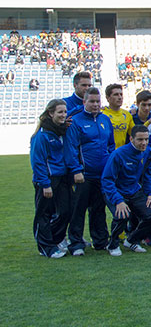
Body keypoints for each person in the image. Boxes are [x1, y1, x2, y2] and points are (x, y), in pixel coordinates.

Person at [65, 87, 114, 255]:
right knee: (78, 209)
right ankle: (76, 243)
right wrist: (76, 170)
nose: (95, 105)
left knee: (98, 209)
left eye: (97, 101)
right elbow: (71, 148)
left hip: (102, 175)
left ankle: (100, 241)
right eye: (91, 101)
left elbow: (111, 145)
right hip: (83, 175)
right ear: (84, 102)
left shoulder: (105, 120)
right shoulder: (76, 121)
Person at [102, 125, 151, 256]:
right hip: (116, 192)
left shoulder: (145, 150)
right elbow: (107, 180)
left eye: (146, 139)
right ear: (131, 139)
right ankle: (112, 244)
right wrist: (118, 200)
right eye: (140, 140)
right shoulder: (118, 154)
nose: (144, 143)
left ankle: (132, 240)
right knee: (122, 215)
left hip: (134, 191)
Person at [30, 99, 71, 258]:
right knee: (44, 214)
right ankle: (45, 247)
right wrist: (45, 184)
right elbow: (38, 161)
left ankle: (54, 240)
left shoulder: (61, 130)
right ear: (50, 113)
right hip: (47, 180)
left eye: (65, 112)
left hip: (62, 178)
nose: (63, 115)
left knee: (66, 211)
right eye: (60, 112)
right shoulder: (42, 135)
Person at [102, 84, 134, 148]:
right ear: (108, 98)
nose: (119, 97)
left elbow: (135, 134)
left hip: (120, 154)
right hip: (106, 153)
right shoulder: (102, 114)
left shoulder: (127, 115)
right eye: (116, 94)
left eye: (121, 94)